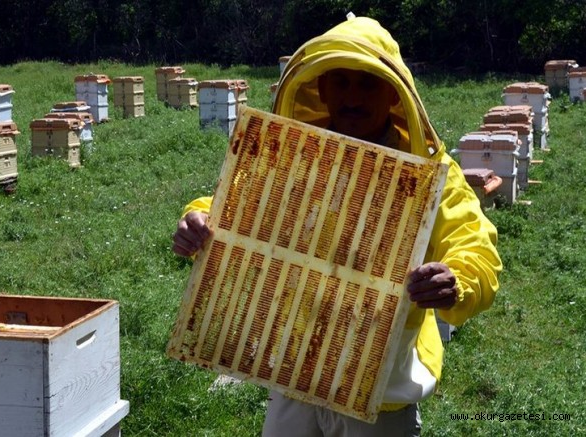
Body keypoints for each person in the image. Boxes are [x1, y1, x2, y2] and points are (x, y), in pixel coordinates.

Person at [171, 14, 502, 437]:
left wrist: (457, 280)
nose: (352, 97)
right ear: (322, 89)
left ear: (394, 94)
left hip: (380, 388)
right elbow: (235, 201)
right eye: (340, 83)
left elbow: (475, 247)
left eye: (367, 84)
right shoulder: (294, 156)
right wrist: (198, 221)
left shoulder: (432, 173)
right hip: (293, 367)